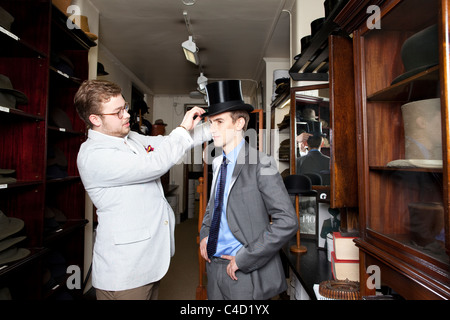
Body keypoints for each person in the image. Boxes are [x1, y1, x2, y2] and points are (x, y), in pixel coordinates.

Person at [74, 79, 211, 300]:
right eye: (118, 112)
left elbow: (168, 143)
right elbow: (156, 164)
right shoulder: (94, 155)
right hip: (126, 271)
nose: (126, 115)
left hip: (146, 262)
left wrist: (214, 126)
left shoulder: (129, 139)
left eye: (125, 107)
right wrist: (183, 128)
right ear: (95, 119)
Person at [199, 80, 298, 300]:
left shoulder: (261, 163)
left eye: (219, 122)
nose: (212, 129)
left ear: (239, 123)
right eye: (210, 123)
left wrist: (245, 259)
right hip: (213, 267)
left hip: (243, 271)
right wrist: (205, 234)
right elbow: (213, 207)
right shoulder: (217, 163)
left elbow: (287, 221)